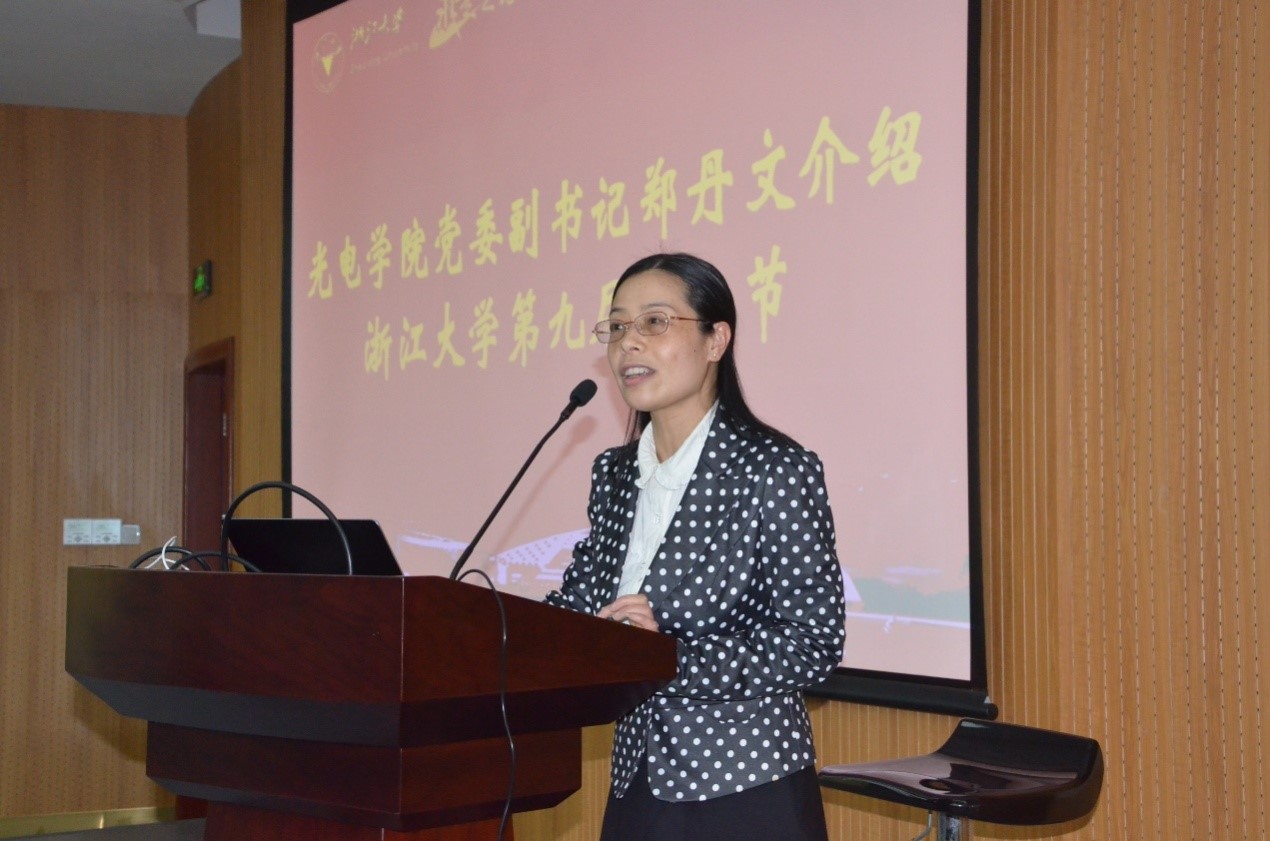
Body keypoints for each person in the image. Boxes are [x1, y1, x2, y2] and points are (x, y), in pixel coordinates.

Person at [544, 252, 846, 841]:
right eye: (617, 326)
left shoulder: (774, 470)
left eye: (655, 322)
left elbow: (813, 643)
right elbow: (577, 606)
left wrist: (669, 657)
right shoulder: (614, 474)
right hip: (638, 781)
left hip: (747, 787)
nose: (629, 342)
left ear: (716, 340)